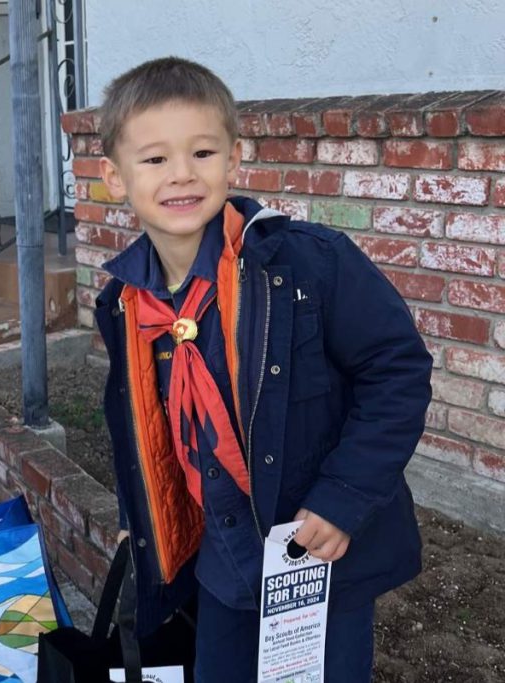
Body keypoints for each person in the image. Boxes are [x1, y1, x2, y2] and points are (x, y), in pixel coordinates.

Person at [93, 57, 432, 682]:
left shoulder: (307, 266)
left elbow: (397, 371)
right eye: (155, 159)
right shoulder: (123, 304)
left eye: (201, 152)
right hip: (220, 564)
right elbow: (141, 428)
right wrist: (136, 519)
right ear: (115, 177)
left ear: (234, 158)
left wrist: (343, 499)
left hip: (316, 554)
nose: (182, 175)